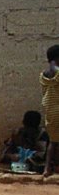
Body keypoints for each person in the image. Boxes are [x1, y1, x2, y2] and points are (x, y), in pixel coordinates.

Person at [41, 44, 59, 177]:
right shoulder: (58, 72)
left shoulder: (44, 75)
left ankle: (47, 169)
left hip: (50, 112)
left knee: (53, 142)